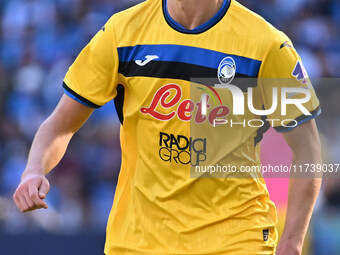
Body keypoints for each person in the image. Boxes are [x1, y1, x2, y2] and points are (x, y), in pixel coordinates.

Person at [13, 0, 322, 254]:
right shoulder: (123, 33)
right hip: (137, 242)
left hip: (236, 239)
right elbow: (61, 124)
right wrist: (33, 170)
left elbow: (308, 150)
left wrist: (292, 243)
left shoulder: (267, 45)